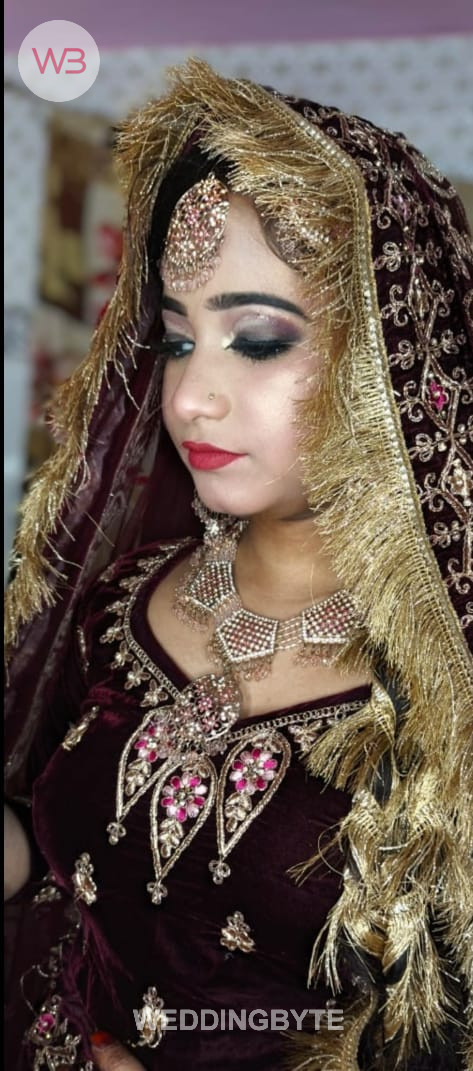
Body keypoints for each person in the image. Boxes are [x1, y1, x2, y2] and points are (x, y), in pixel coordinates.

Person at [4, 59, 472, 1071]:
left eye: (256, 340)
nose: (190, 398)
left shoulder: (448, 698)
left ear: (391, 357)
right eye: (178, 342)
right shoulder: (121, 597)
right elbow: (66, 863)